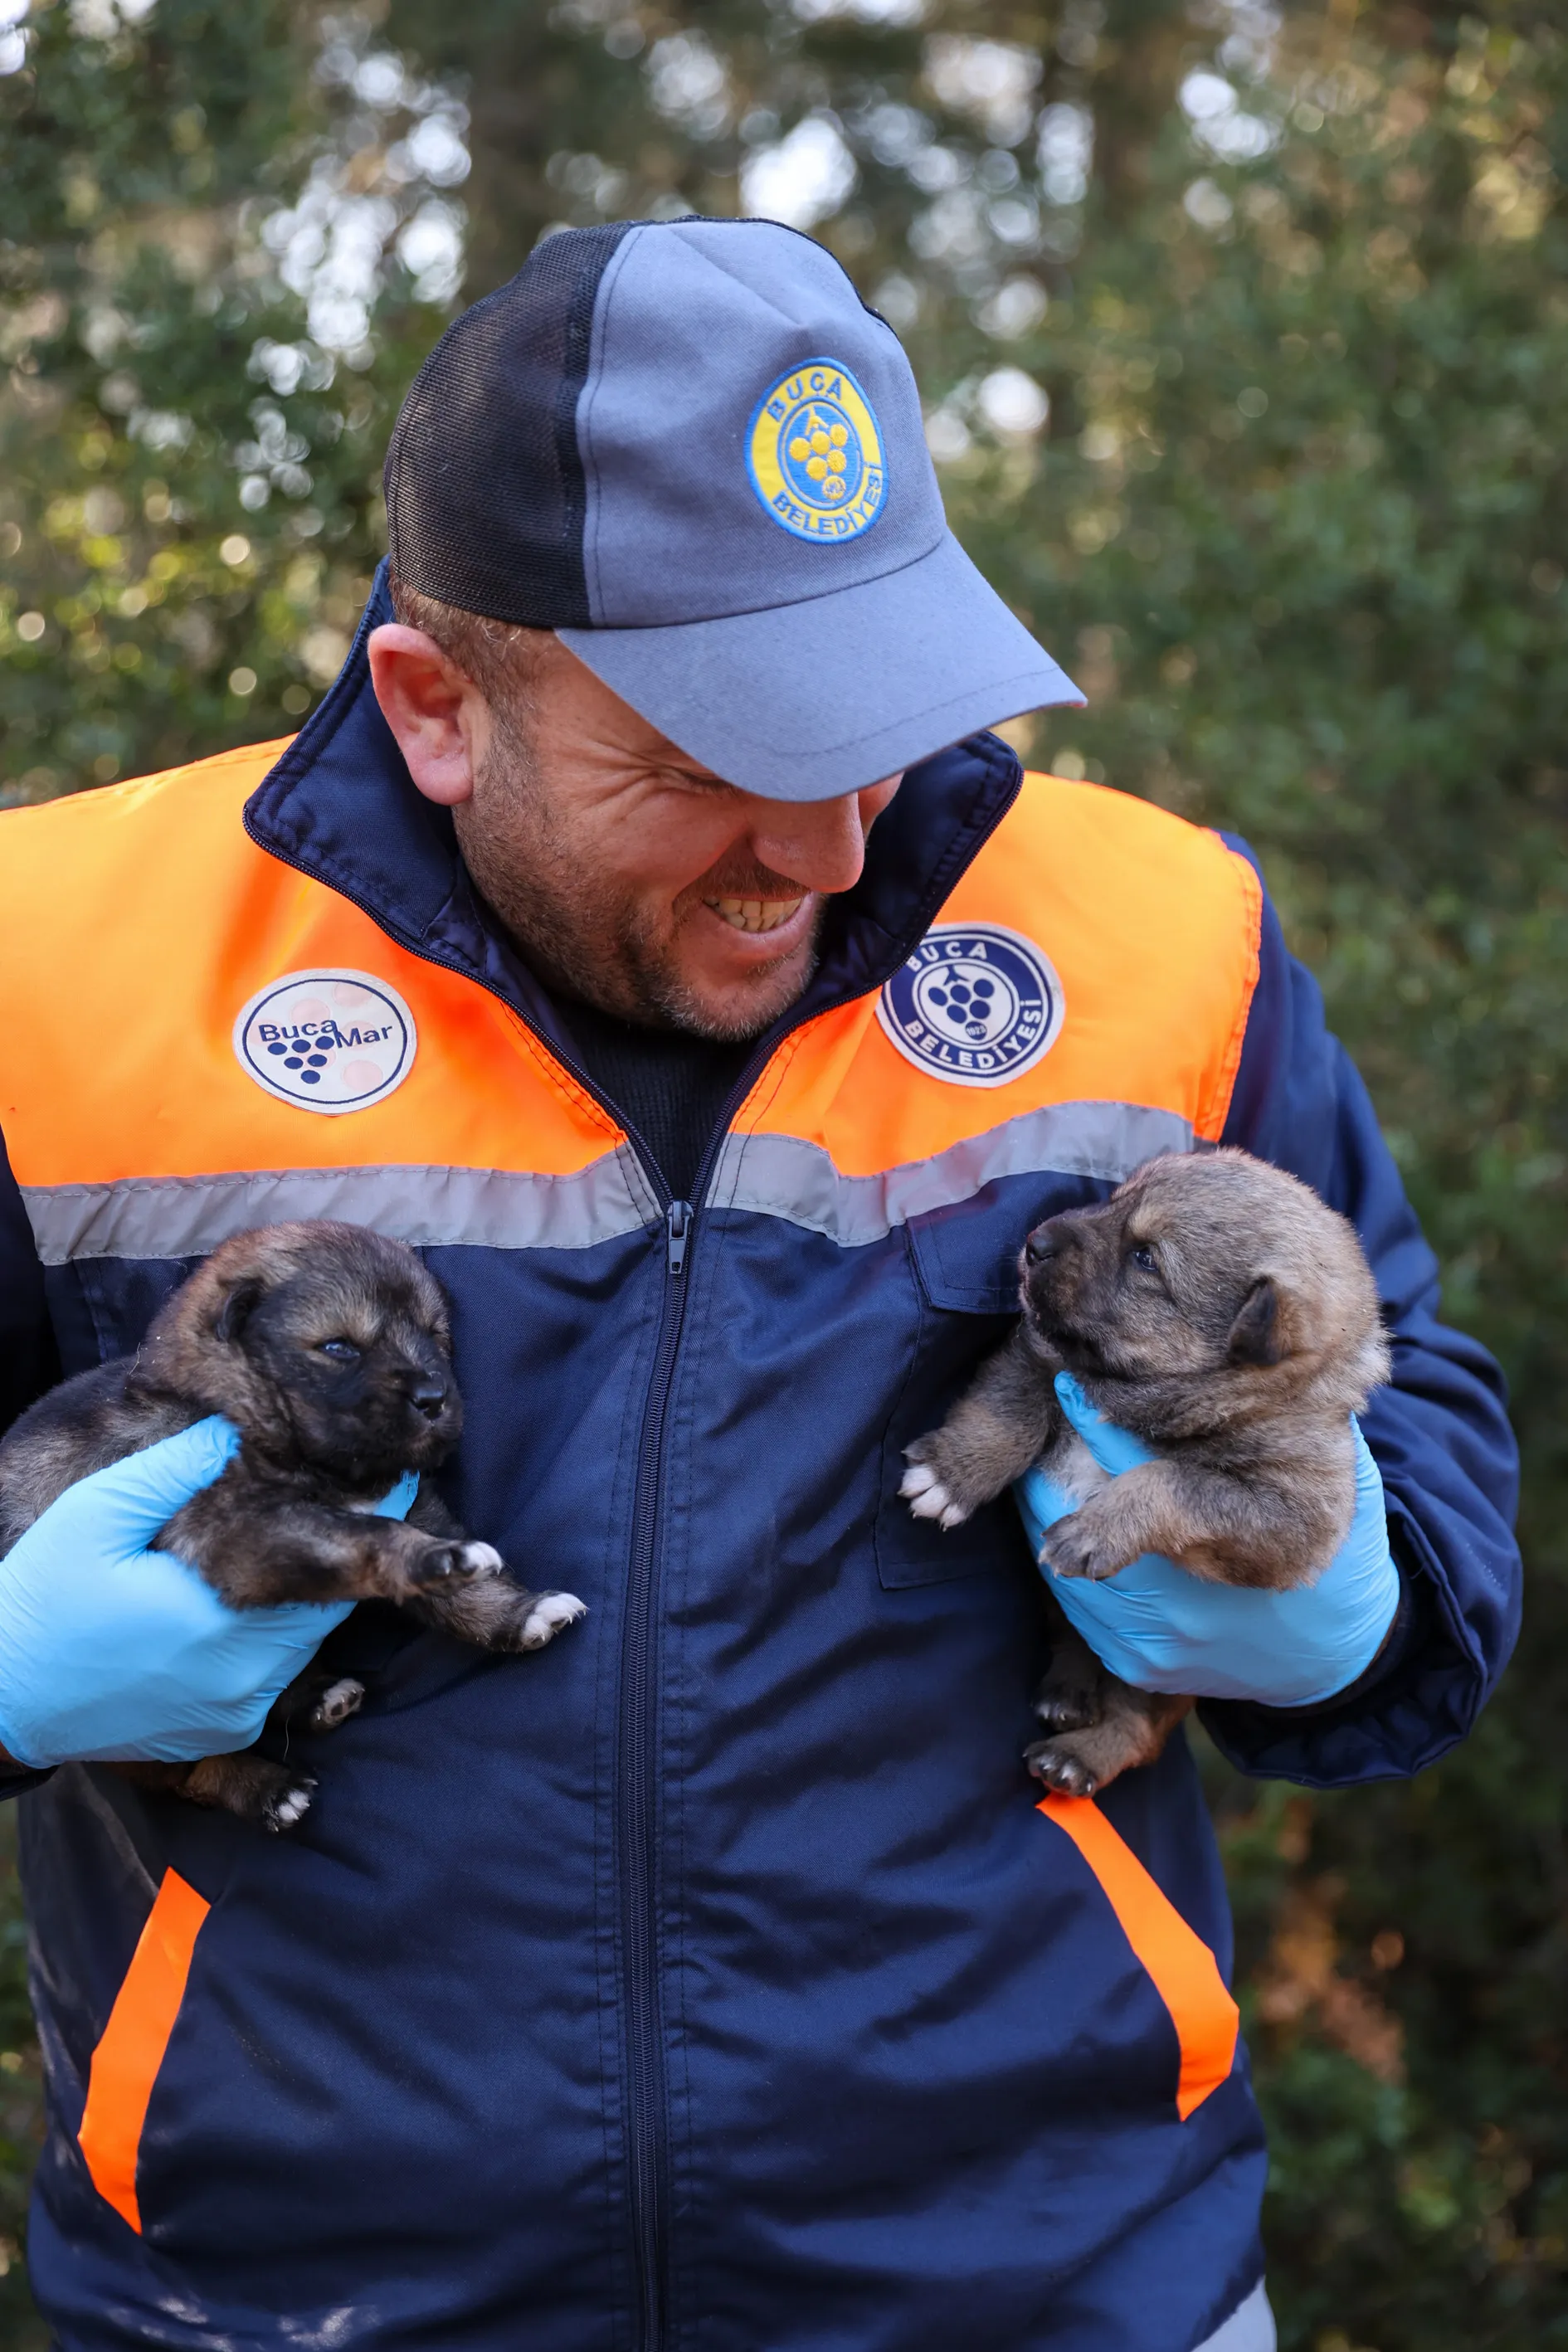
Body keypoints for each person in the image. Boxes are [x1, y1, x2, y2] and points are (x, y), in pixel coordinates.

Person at [0, 219, 1518, 2352]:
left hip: (1055, 2289)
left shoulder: (1165, 941)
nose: (819, 849)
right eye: (708, 759)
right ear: (439, 710)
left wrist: (1372, 1579)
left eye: (864, 725)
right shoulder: (56, 966)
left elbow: (1414, 1391)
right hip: (290, 2304)